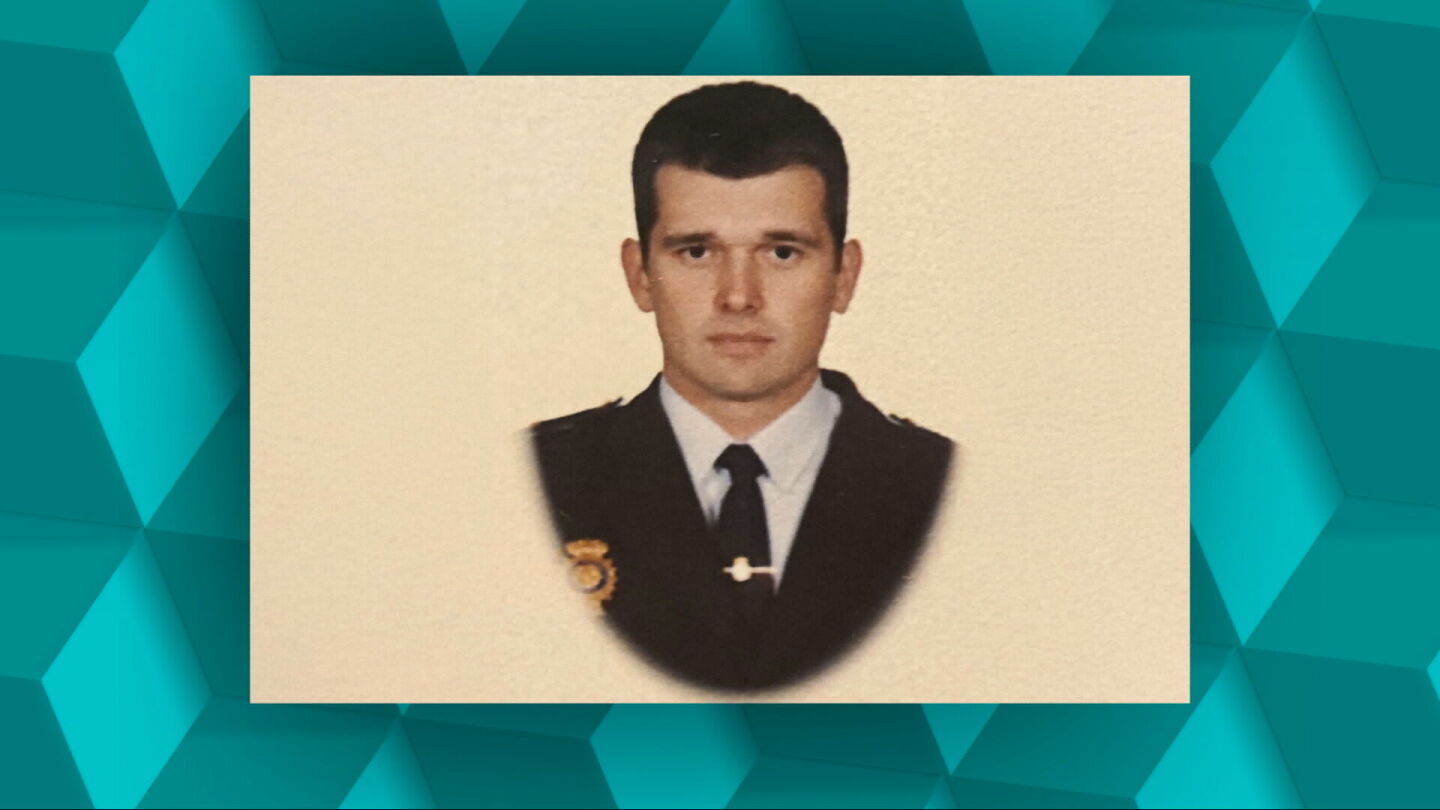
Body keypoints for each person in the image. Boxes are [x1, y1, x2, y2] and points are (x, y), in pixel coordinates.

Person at [530, 81, 954, 691]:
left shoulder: (947, 485)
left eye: (781, 253)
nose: (738, 297)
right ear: (640, 274)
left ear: (843, 276)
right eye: (696, 252)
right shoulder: (535, 479)